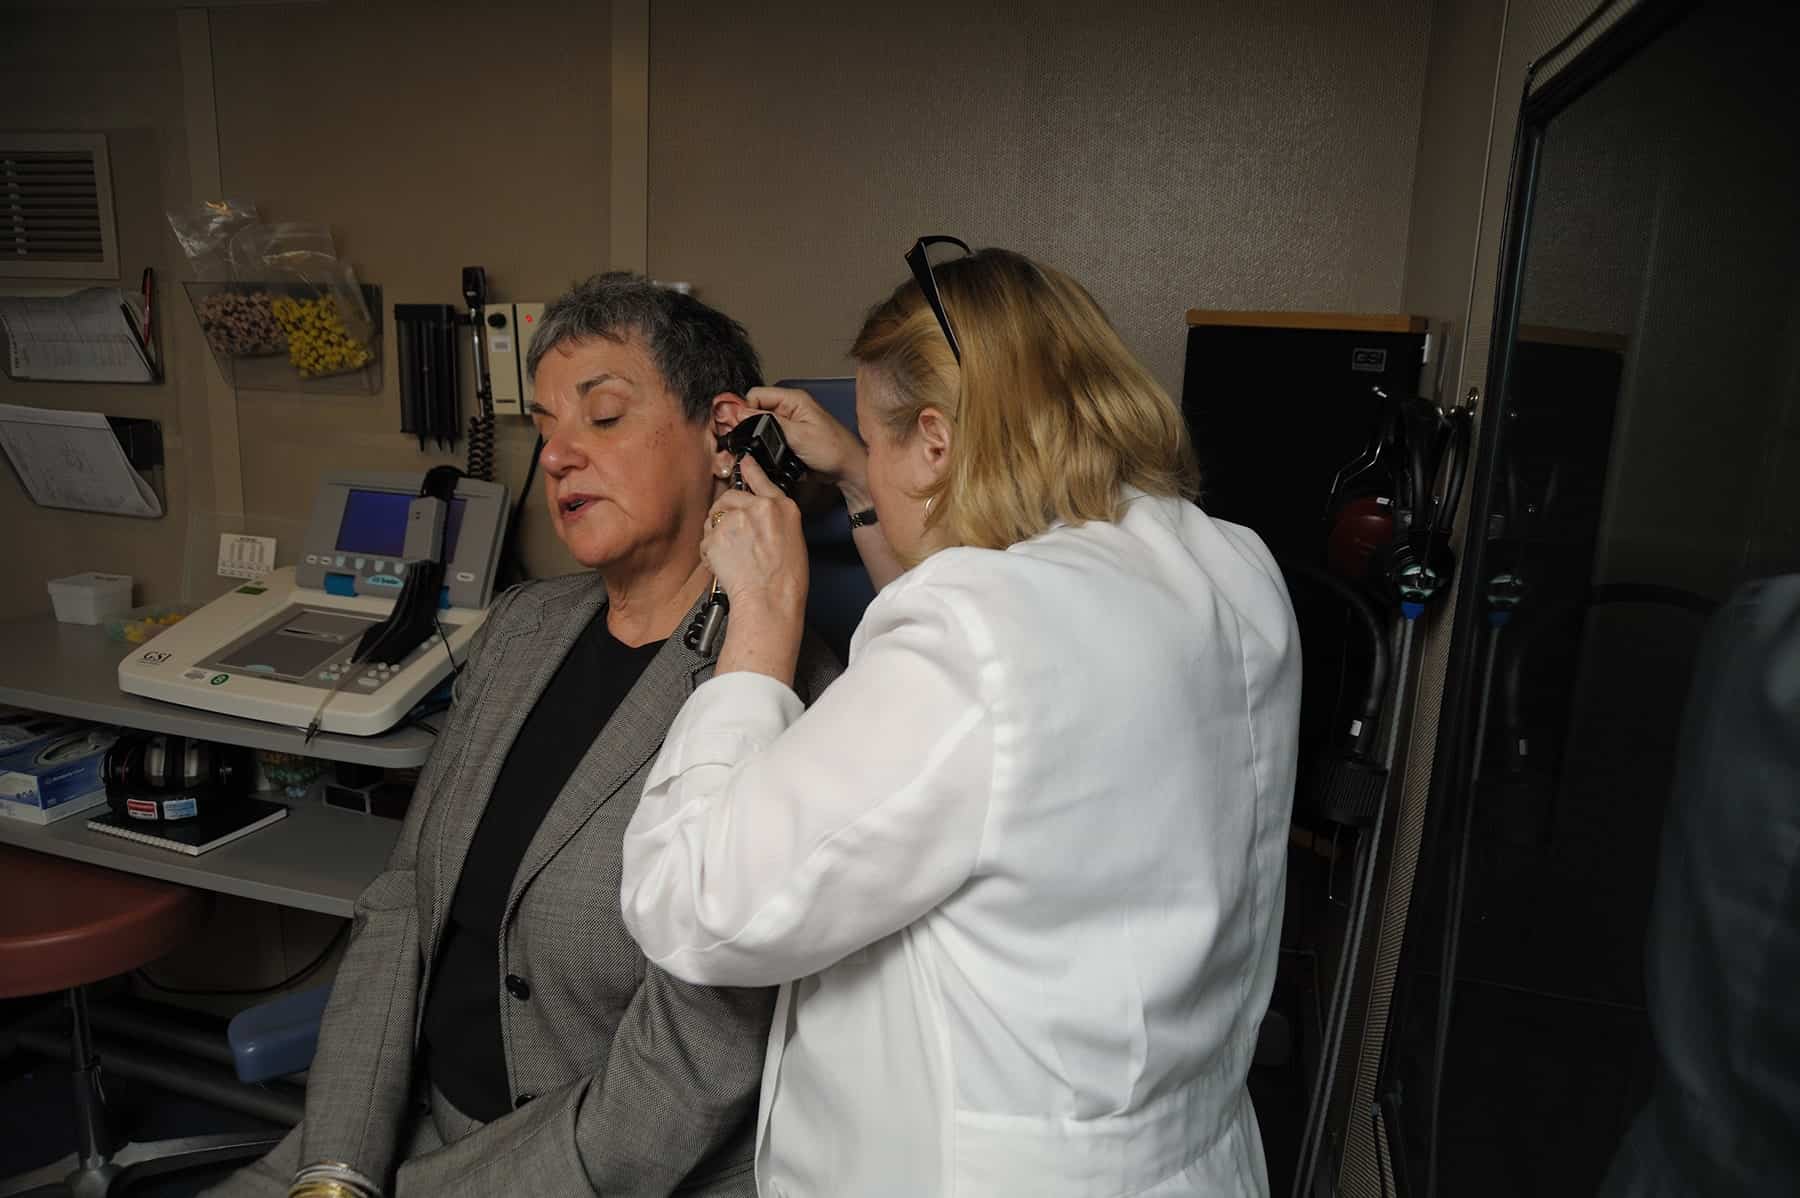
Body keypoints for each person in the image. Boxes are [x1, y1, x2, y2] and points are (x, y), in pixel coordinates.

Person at [620, 241, 1303, 1196]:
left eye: (883, 434)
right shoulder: (1230, 565)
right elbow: (999, 711)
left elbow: (698, 904)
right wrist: (866, 478)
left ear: (937, 441)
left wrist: (764, 621)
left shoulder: (976, 634)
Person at [208, 275, 840, 1198]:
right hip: (410, 1133)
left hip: (585, 1174)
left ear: (723, 433)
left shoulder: (783, 691)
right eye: (545, 427)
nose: (555, 456)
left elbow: (682, 1075)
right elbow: (402, 907)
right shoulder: (520, 630)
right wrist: (335, 1169)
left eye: (605, 416)